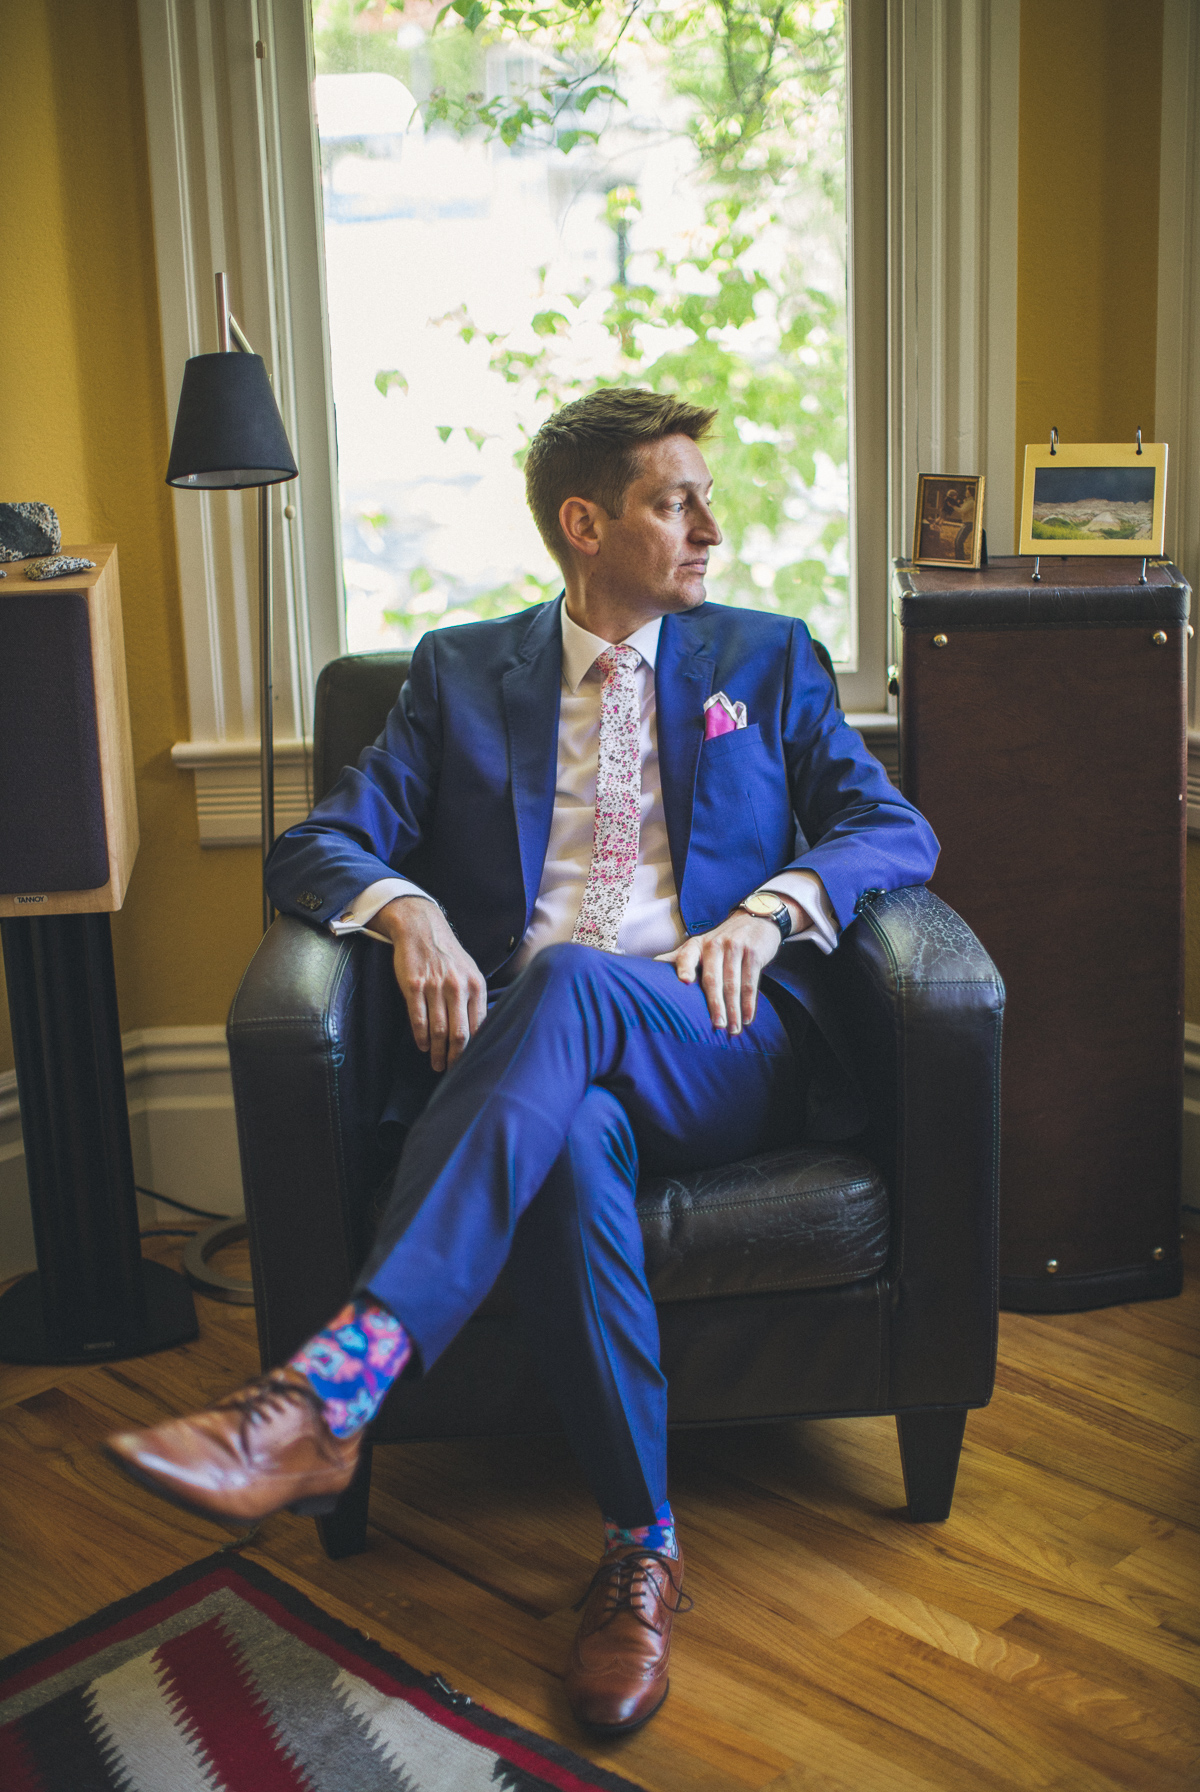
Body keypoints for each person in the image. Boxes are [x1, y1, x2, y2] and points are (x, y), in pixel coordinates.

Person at [106, 389, 938, 1736]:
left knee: (565, 982)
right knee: (566, 1138)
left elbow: (892, 829)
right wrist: (409, 911)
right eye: (676, 502)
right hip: (541, 1072)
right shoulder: (459, 674)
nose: (711, 529)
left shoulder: (765, 655)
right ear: (584, 524)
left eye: (706, 501)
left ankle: (339, 1388)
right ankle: (640, 1551)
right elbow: (317, 844)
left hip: (717, 1043)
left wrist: (770, 909)